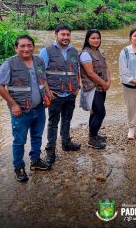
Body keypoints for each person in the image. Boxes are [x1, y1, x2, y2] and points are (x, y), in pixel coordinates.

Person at [0, 35, 52, 182]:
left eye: (29, 45)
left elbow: (43, 79)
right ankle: (19, 167)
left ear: (33, 47)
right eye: (22, 46)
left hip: (39, 109)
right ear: (16, 48)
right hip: (20, 110)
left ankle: (35, 161)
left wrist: (48, 94)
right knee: (19, 141)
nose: (26, 49)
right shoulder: (9, 64)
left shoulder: (39, 60)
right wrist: (13, 104)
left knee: (37, 136)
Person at [39, 23, 81, 165]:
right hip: (54, 94)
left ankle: (66, 143)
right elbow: (41, 73)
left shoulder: (74, 52)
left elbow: (77, 71)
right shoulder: (46, 51)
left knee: (67, 119)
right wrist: (47, 91)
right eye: (62, 34)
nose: (65, 37)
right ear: (56, 35)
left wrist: (77, 88)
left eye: (68, 34)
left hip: (70, 94)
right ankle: (50, 151)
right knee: (53, 123)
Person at [80, 29, 111, 149]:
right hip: (92, 88)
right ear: (88, 39)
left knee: (94, 112)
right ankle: (92, 139)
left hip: (102, 87)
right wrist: (104, 83)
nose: (96, 40)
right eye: (93, 38)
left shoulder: (100, 52)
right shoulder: (85, 54)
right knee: (100, 113)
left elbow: (107, 68)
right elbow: (90, 73)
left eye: (98, 38)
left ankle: (94, 134)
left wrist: (108, 81)